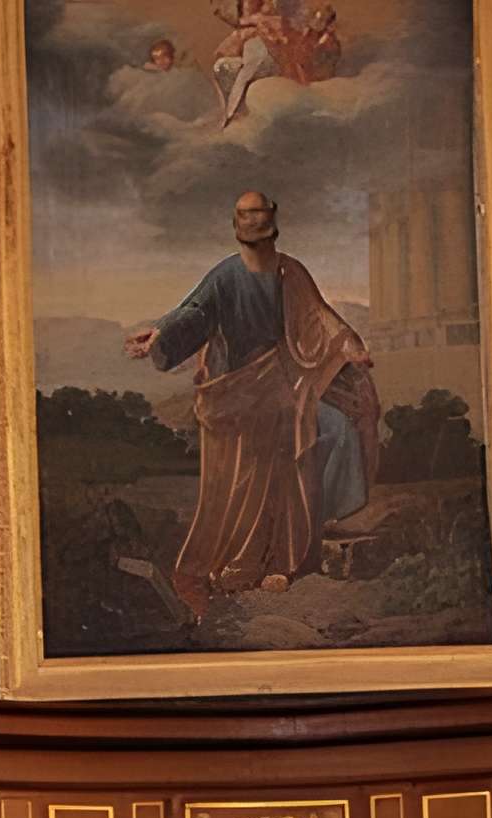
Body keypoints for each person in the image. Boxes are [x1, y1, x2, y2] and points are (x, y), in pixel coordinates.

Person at [122, 192, 380, 612]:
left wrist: (349, 345)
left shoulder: (290, 272)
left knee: (310, 450)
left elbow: (319, 317)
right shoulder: (226, 275)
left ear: (272, 223)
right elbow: (193, 312)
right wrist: (159, 336)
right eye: (245, 216)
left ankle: (285, 561)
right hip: (237, 392)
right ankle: (241, 564)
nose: (252, 223)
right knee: (245, 479)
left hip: (284, 384)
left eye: (258, 215)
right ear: (236, 224)